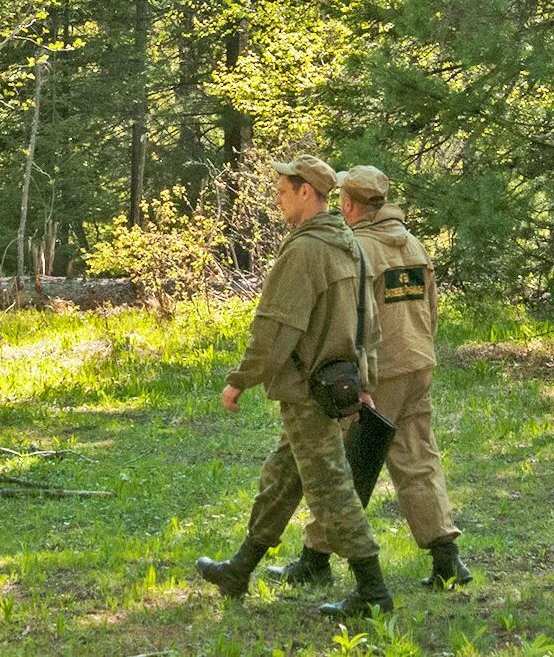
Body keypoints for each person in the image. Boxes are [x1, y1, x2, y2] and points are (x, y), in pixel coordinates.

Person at [195, 155, 393, 617]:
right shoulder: (349, 243)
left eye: (284, 190)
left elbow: (275, 329)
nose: (277, 199)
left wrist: (240, 380)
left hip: (310, 391)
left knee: (331, 491)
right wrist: (366, 381)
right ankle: (239, 570)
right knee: (282, 479)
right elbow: (370, 324)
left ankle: (373, 593)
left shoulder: (305, 251)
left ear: (308, 193)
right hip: (337, 386)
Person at [266, 165, 471, 590]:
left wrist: (354, 375)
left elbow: (352, 320)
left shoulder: (356, 248)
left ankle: (315, 560)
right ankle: (447, 558)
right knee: (418, 459)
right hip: (418, 364)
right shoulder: (414, 245)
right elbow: (431, 310)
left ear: (349, 203)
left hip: (379, 374)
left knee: (340, 466)